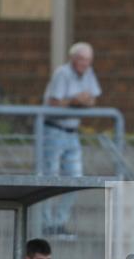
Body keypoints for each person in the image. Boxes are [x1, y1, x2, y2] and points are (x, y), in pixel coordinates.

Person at [42, 41, 102, 236]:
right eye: (82, 60)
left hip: (72, 132)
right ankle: (46, 222)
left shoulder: (88, 73)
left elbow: (92, 98)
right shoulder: (63, 73)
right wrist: (74, 101)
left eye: (88, 61)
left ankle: (60, 221)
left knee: (75, 179)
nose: (85, 64)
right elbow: (53, 102)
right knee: (50, 177)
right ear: (73, 59)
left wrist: (84, 101)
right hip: (54, 130)